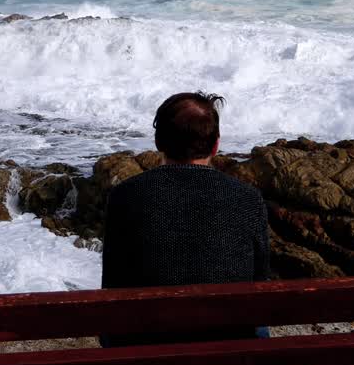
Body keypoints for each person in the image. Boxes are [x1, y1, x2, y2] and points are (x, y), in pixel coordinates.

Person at [100, 91, 270, 344]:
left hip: (145, 353)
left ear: (158, 143)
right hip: (231, 351)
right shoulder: (248, 198)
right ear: (216, 145)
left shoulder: (125, 196)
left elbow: (113, 285)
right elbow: (260, 281)